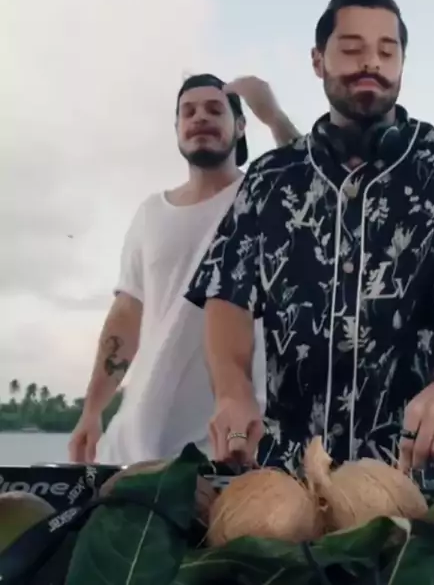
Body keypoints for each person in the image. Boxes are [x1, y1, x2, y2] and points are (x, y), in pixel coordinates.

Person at [186, 0, 434, 475]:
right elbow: (226, 296)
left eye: (387, 51)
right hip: (287, 470)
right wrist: (233, 392)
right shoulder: (269, 177)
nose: (372, 62)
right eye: (352, 48)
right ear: (318, 60)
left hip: (421, 465)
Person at [68, 73, 299, 465]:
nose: (200, 118)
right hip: (133, 448)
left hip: (228, 444)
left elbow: (310, 183)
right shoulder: (150, 213)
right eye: (188, 112)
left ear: (241, 126)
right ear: (177, 128)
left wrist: (274, 116)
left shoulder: (264, 199)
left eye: (214, 110)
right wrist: (92, 411)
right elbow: (126, 317)